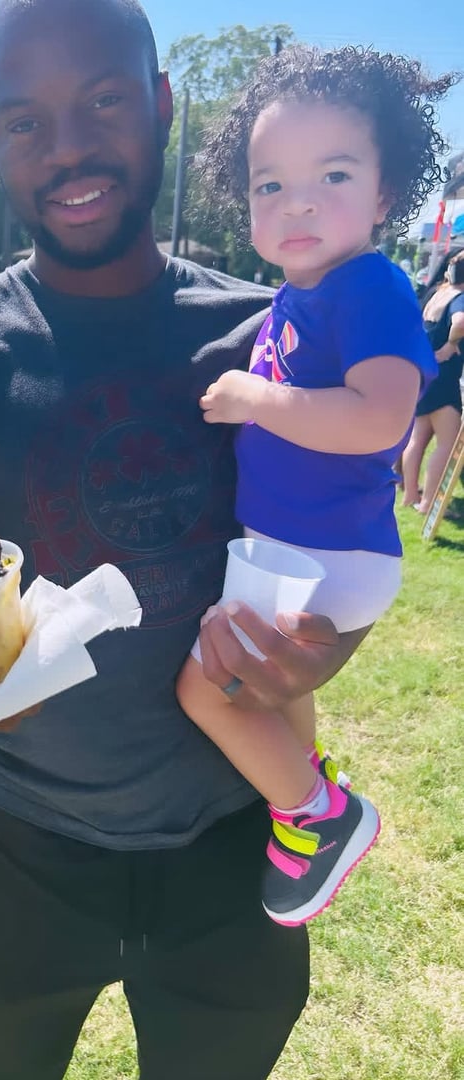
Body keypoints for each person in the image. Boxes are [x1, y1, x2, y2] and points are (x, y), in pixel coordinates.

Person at [0, 3, 391, 1076]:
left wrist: (332, 641)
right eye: (23, 121)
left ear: (158, 105)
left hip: (232, 853)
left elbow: (343, 527)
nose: (66, 150)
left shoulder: (269, 336)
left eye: (102, 99)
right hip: (23, 855)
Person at [173, 46, 451, 929]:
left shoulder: (368, 284)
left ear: (383, 194)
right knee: (277, 692)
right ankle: (307, 796)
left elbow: (378, 418)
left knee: (202, 688)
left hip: (323, 549)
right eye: (268, 185)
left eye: (331, 174)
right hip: (308, 545)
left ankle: (319, 819)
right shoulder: (304, 291)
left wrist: (256, 397)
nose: (295, 202)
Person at [401, 250, 464, 512]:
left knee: (418, 439)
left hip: (425, 376)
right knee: (447, 447)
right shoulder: (459, 298)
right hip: (445, 378)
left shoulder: (439, 293)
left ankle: (410, 495)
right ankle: (427, 503)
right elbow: (460, 322)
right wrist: (451, 344)